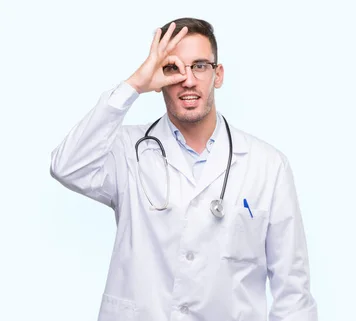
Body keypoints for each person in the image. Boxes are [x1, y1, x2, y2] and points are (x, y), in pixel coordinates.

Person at [50, 17, 318, 321]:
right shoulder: (127, 150)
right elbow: (66, 166)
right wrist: (134, 85)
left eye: (200, 66)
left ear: (218, 75)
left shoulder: (268, 166)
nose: (187, 80)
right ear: (157, 77)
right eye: (173, 68)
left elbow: (293, 293)